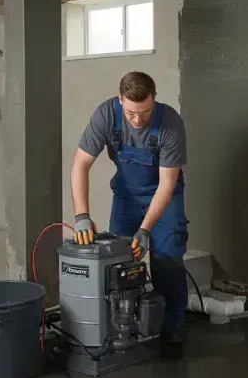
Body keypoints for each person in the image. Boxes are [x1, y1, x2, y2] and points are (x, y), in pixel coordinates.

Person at [70, 71, 188, 348]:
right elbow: (80, 165)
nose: (137, 120)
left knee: (167, 260)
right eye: (132, 113)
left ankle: (171, 330)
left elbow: (167, 185)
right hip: (125, 196)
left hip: (164, 197)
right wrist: (81, 216)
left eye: (145, 113)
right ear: (120, 99)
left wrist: (145, 229)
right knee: (118, 262)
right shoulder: (106, 115)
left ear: (154, 100)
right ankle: (123, 330)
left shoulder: (170, 123)